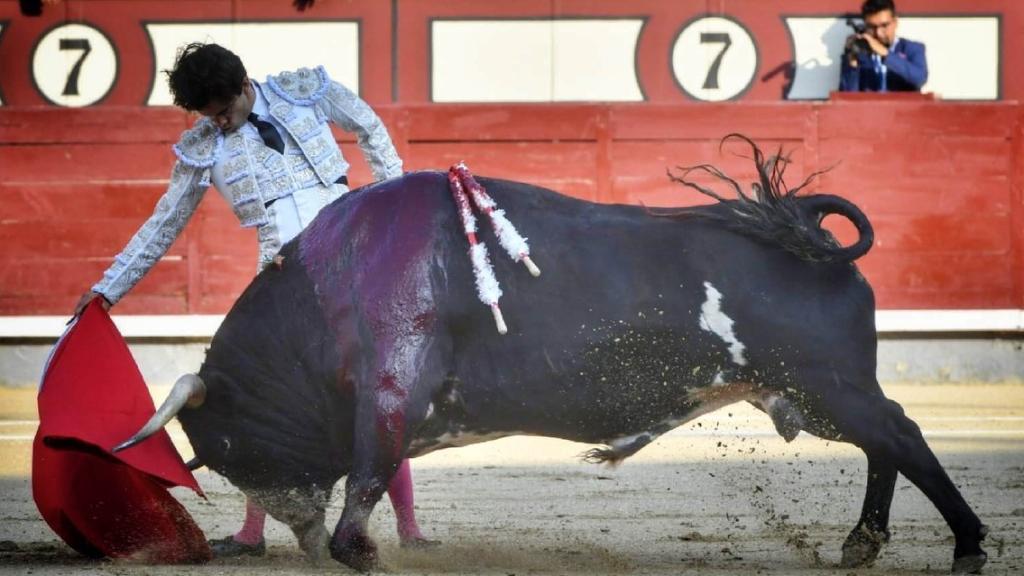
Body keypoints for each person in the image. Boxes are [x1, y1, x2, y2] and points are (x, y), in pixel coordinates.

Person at [72, 42, 433, 557]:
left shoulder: (304, 91)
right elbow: (164, 223)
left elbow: (369, 126)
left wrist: (391, 203)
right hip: (284, 287)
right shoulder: (203, 146)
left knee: (379, 392)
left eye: (223, 112)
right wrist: (110, 287)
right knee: (263, 406)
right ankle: (250, 533)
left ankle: (410, 527)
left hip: (356, 269)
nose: (218, 124)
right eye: (208, 116)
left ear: (245, 87)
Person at [838, 0, 927, 92]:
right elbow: (847, 95)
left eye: (884, 26)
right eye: (872, 27)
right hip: (868, 106)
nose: (878, 33)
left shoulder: (912, 48)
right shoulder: (860, 53)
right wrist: (852, 63)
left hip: (904, 106)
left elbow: (919, 78)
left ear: (895, 22)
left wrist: (885, 53)